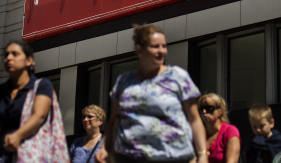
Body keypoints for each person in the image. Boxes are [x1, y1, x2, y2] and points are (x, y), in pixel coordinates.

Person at [95, 24, 207, 163]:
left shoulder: (178, 76)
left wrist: (202, 154)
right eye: (155, 47)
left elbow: (194, 119)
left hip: (172, 157)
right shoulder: (124, 81)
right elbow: (113, 121)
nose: (162, 51)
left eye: (164, 46)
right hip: (129, 157)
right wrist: (104, 148)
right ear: (139, 49)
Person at [198, 93, 240, 163]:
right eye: (202, 109)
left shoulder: (230, 131)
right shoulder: (198, 134)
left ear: (220, 112)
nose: (204, 112)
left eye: (209, 108)